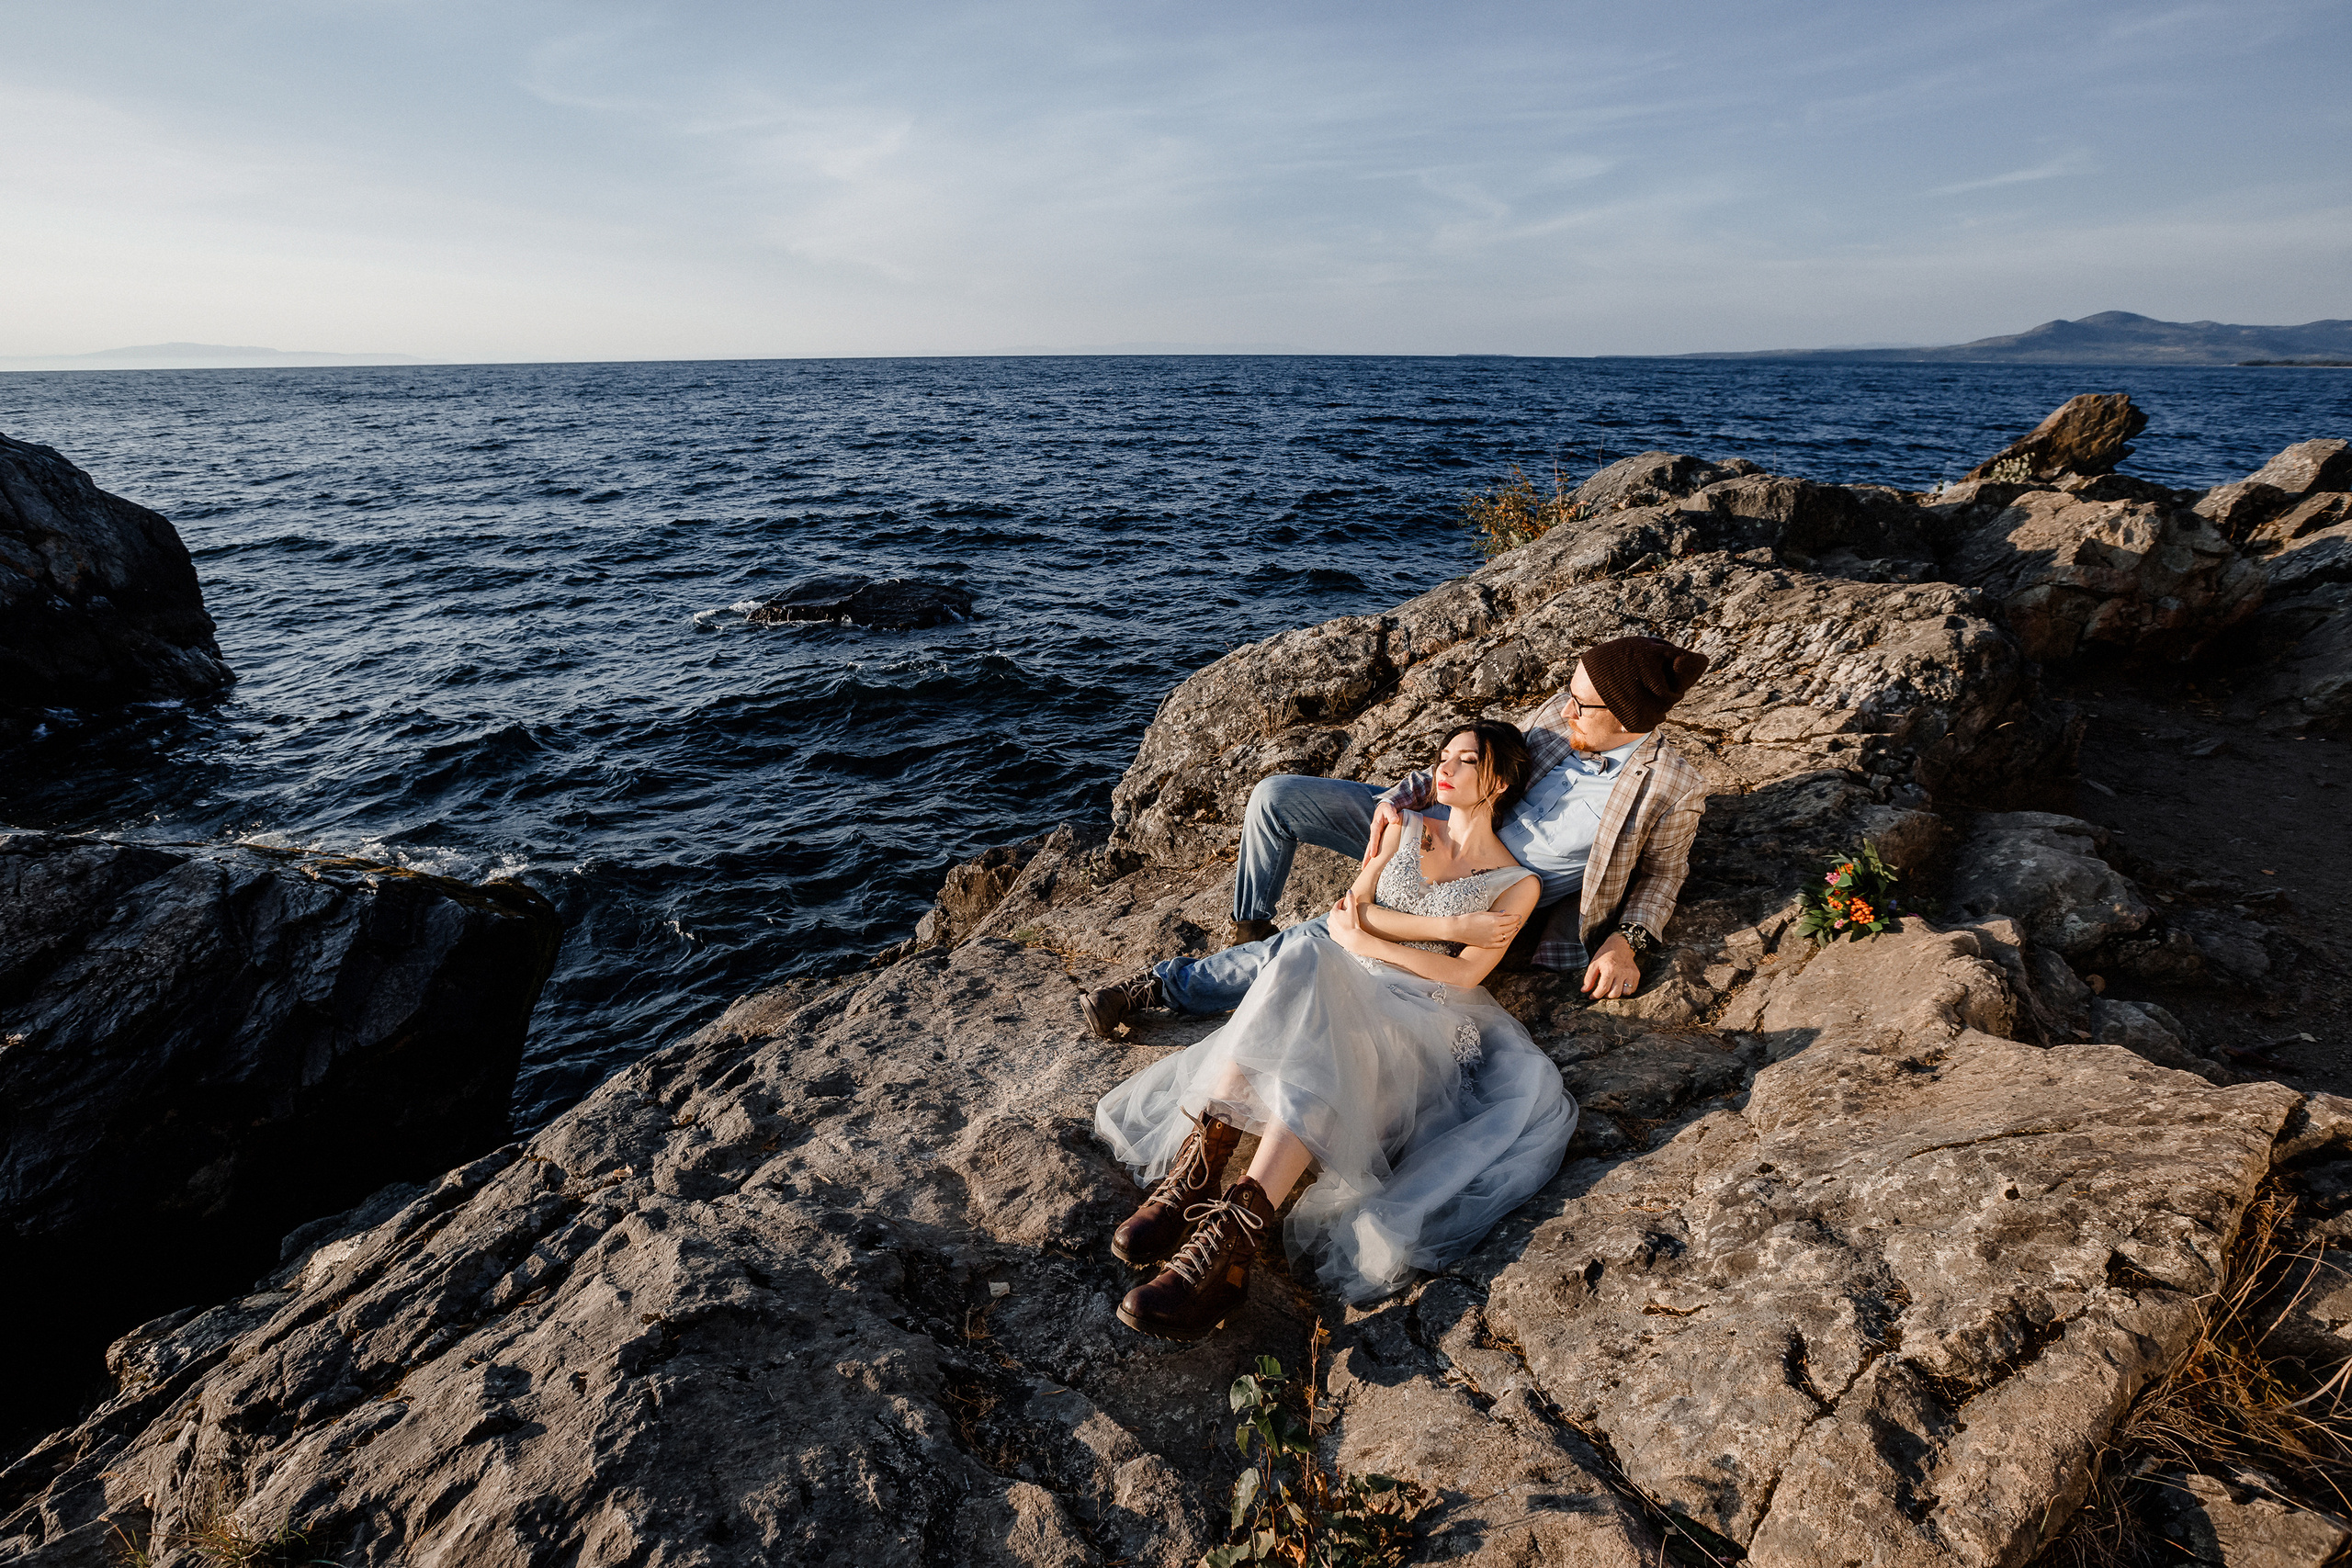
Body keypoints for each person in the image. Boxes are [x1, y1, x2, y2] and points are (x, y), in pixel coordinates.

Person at [1093, 721, 1574, 1341]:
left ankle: (1231, 1233)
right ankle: (1203, 1165)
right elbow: (1347, 910)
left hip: (1422, 1017)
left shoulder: (1518, 883)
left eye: (1465, 759)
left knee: (1312, 967)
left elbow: (1460, 975)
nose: (1443, 767)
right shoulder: (1405, 824)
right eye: (1442, 754)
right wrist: (1439, 921)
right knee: (1304, 959)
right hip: (1347, 977)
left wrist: (1365, 934)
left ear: (1500, 780)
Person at [1081, 636, 1712, 1039]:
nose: (1564, 709)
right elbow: (1479, 760)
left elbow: (1662, 874)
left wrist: (1628, 943)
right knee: (1275, 798)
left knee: (1324, 934)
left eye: (1581, 706)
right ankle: (1251, 933)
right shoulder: (1556, 714)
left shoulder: (1670, 785)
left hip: (1481, 889)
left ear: (1626, 717)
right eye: (1570, 697)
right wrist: (1396, 804)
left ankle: (1164, 985)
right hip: (1436, 826)